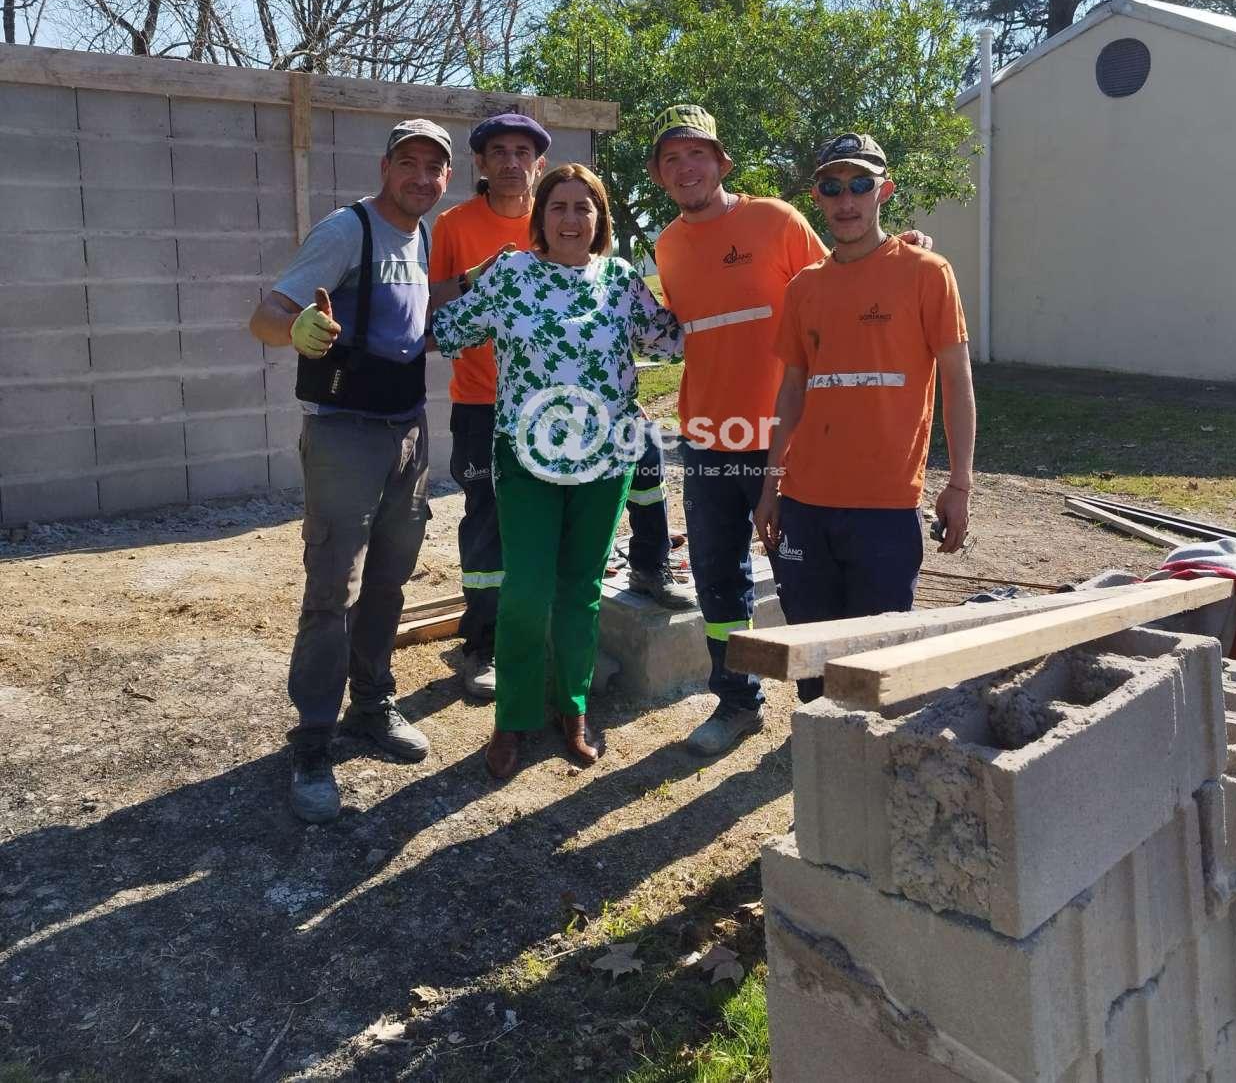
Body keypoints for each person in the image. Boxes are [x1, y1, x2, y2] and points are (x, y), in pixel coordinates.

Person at [647, 104, 935, 756]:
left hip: (788, 439)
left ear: (722, 163)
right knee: (717, 580)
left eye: (697, 154)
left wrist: (904, 252)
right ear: (660, 176)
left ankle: (836, 715)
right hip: (709, 439)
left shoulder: (776, 221)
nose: (686, 168)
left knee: (805, 585)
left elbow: (846, 276)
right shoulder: (666, 246)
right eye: (671, 159)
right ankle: (737, 701)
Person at [249, 119, 496, 824]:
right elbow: (267, 314)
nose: (422, 177)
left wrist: (476, 282)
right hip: (344, 431)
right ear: (385, 167)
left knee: (390, 579)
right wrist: (294, 330)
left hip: (407, 429)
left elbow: (414, 311)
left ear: (447, 178)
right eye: (408, 163)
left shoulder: (422, 237)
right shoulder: (346, 230)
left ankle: (373, 703)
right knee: (334, 587)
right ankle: (312, 741)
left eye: (434, 168)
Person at [428, 164, 681, 781]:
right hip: (526, 460)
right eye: (559, 206)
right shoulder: (511, 275)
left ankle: (572, 708)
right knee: (525, 593)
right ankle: (513, 718)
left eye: (583, 207)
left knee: (581, 590)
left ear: (600, 219)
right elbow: (444, 329)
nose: (571, 219)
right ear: (540, 216)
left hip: (606, 461)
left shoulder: (621, 281)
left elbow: (673, 340)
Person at [754, 131, 976, 702]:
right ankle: (815, 741)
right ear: (817, 197)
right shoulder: (805, 287)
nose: (846, 200)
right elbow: (792, 390)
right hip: (805, 503)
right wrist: (771, 485)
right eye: (832, 188)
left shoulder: (926, 272)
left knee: (874, 663)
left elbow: (957, 380)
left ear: (884, 190)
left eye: (859, 184)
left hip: (885, 507)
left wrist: (959, 484)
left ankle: (861, 747)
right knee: (812, 656)